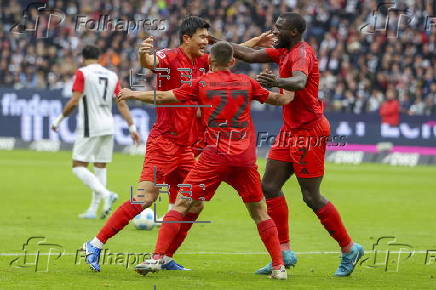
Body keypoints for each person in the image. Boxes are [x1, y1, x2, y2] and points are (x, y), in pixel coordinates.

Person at [81, 16, 271, 272]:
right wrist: (143, 56)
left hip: (188, 148)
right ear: (186, 38)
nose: (206, 42)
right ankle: (95, 243)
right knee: (145, 198)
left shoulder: (205, 61)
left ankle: (166, 256)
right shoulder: (169, 57)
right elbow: (151, 62)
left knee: (195, 202)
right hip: (165, 142)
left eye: (207, 38)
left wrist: (256, 42)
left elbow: (225, 52)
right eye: (202, 37)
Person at [118, 41, 295, 280]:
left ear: (209, 61)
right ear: (233, 62)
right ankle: (278, 267)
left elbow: (166, 96)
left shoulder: (200, 82)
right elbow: (281, 100)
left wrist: (133, 93)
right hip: (244, 158)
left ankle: (158, 258)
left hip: (214, 157)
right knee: (260, 212)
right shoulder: (247, 82)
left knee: (181, 204)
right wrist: (289, 82)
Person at [212, 12, 364, 276]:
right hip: (290, 130)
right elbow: (246, 54)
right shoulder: (282, 51)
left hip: (310, 131)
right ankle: (284, 252)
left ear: (293, 32)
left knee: (311, 197)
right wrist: (212, 40)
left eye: (279, 27)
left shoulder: (301, 54)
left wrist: (276, 82)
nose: (274, 30)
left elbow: (300, 81)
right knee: (269, 187)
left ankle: (349, 248)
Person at [51, 45, 140, 219]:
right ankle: (93, 209)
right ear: (99, 58)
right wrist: (132, 127)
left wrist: (58, 120)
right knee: (100, 167)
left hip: (89, 126)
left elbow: (75, 101)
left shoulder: (82, 73)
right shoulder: (112, 75)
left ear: (83, 58)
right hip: (108, 125)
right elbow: (121, 103)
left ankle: (106, 194)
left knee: (78, 166)